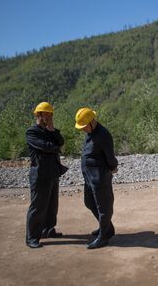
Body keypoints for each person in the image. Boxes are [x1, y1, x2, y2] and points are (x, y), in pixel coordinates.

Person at [25, 102, 67, 248]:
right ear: (38, 115)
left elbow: (61, 141)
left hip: (53, 173)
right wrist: (58, 147)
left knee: (52, 205)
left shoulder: (51, 131)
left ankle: (48, 230)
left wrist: (52, 129)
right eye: (45, 113)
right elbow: (45, 146)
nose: (49, 116)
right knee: (38, 206)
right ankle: (31, 237)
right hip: (40, 174)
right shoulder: (31, 132)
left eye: (50, 113)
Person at [75, 107, 118, 249]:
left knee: (103, 207)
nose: (82, 129)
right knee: (89, 203)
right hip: (89, 178)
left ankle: (104, 237)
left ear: (91, 122)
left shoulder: (103, 135)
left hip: (100, 178)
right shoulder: (91, 132)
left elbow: (110, 157)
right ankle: (107, 228)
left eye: (83, 126)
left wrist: (113, 167)